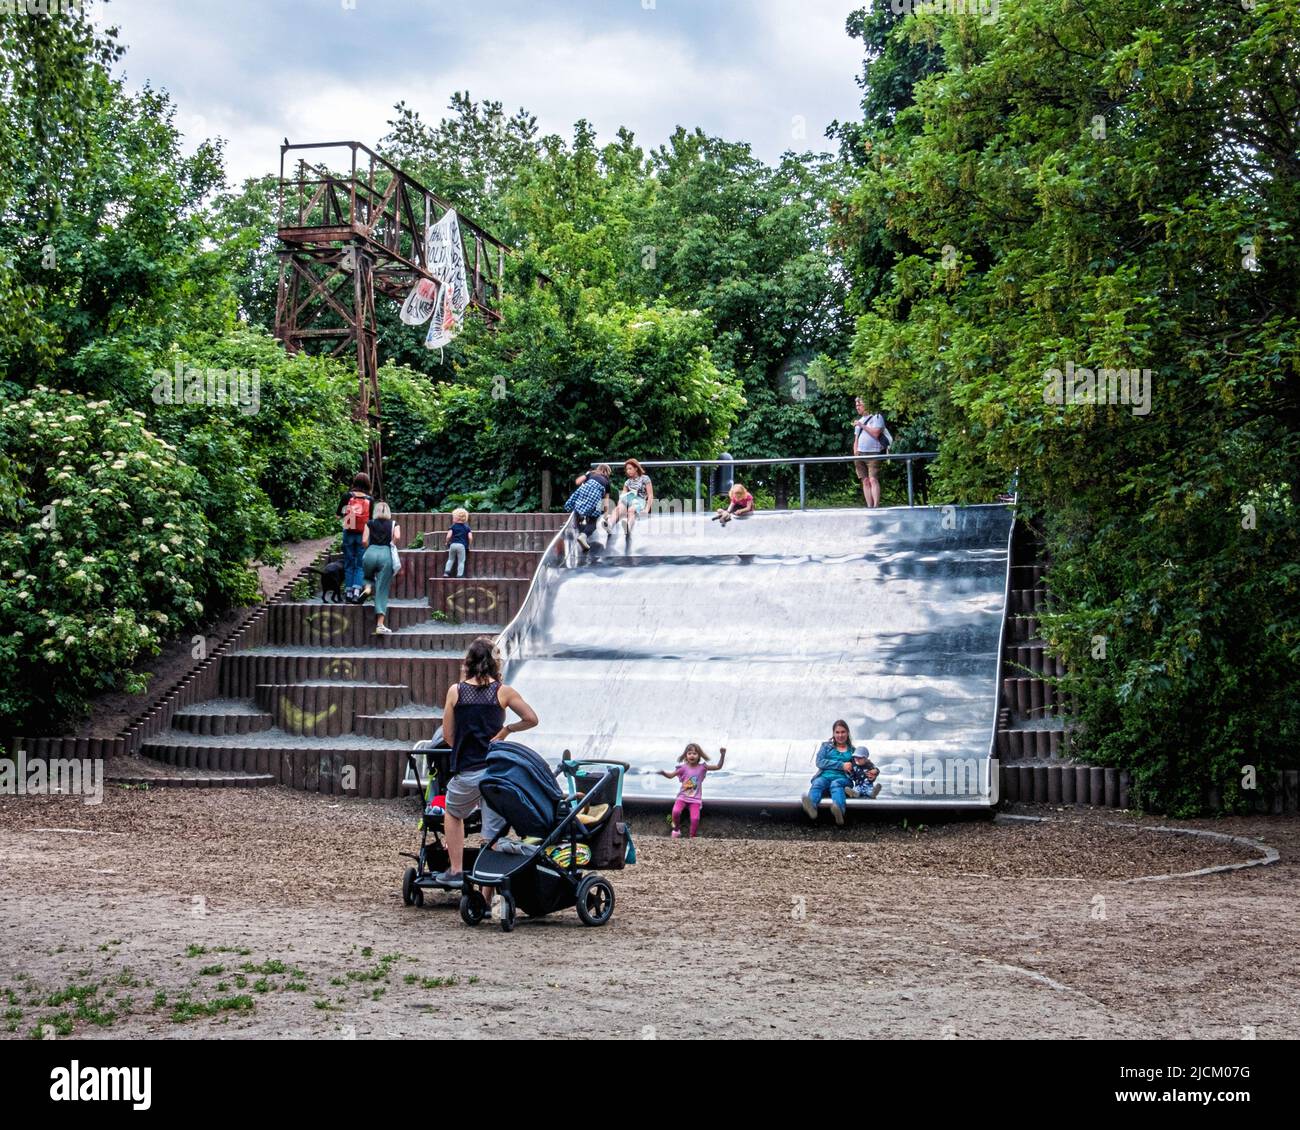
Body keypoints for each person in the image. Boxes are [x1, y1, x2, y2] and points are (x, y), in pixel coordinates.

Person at [435, 638, 539, 887]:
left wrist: (463, 744)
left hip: (467, 771)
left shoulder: (455, 691)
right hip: (494, 773)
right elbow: (531, 718)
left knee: (453, 812)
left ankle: (457, 870)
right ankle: (486, 889)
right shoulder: (503, 691)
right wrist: (506, 730)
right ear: (495, 661)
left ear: (469, 661)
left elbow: (448, 735)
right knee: (491, 834)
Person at [658, 744, 725, 838]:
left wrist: (722, 754)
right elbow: (670, 776)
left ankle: (692, 837)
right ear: (686, 755)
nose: (692, 755)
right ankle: (676, 830)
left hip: (695, 800)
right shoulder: (683, 768)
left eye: (695, 753)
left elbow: (718, 767)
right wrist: (663, 773)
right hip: (682, 797)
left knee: (695, 818)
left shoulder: (702, 768)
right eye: (689, 753)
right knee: (676, 812)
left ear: (699, 756)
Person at [801, 720, 856, 825]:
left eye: (843, 732)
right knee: (818, 783)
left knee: (836, 785)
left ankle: (839, 811)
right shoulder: (826, 746)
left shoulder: (852, 751)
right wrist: (841, 765)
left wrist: (872, 771)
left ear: (848, 733)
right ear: (833, 734)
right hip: (825, 776)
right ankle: (811, 808)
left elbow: (861, 766)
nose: (840, 735)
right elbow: (820, 762)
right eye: (837, 732)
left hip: (842, 779)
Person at [361, 501, 401, 635]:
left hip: (370, 552)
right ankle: (380, 625)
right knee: (382, 589)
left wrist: (370, 550)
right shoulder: (394, 524)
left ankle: (367, 588)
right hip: (385, 554)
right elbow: (397, 536)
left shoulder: (369, 523)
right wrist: (392, 544)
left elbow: (364, 541)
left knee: (367, 575)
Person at [336, 472, 372, 602]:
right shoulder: (369, 500)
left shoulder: (347, 496)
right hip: (363, 534)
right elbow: (371, 520)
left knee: (349, 562)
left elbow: (338, 515)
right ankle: (357, 591)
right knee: (360, 564)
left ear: (354, 482)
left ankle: (348, 592)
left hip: (348, 532)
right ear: (368, 484)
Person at [852, 398, 893, 508]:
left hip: (874, 453)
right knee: (865, 481)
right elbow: (856, 439)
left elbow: (875, 433)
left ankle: (876, 506)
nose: (857, 407)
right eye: (856, 405)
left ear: (866, 404)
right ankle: (869, 506)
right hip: (860, 454)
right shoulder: (859, 420)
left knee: (873, 479)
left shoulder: (877, 417)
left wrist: (862, 426)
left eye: (859, 404)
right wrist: (855, 452)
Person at [564, 464, 612, 550]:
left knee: (577, 506)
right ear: (607, 473)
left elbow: (578, 482)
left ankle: (575, 524)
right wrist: (606, 515)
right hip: (595, 496)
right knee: (594, 519)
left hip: (583, 491)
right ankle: (583, 536)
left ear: (598, 469)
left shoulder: (591, 474)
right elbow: (606, 501)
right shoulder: (607, 482)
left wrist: (586, 476)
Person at [605, 458, 654, 541]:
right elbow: (623, 496)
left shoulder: (645, 478)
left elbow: (650, 495)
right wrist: (619, 506)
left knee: (631, 510)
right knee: (618, 509)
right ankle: (609, 524)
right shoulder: (627, 482)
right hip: (629, 499)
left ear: (636, 468)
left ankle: (628, 527)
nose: (628, 471)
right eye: (627, 469)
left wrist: (646, 509)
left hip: (640, 500)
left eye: (630, 468)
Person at [444, 507, 473, 577]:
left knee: (450, 559)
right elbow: (470, 537)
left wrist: (446, 542)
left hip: (453, 545)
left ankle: (446, 572)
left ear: (456, 518)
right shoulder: (467, 528)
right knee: (461, 561)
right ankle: (459, 575)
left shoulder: (452, 527)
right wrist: (469, 545)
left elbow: (448, 536)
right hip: (462, 546)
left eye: (453, 517)